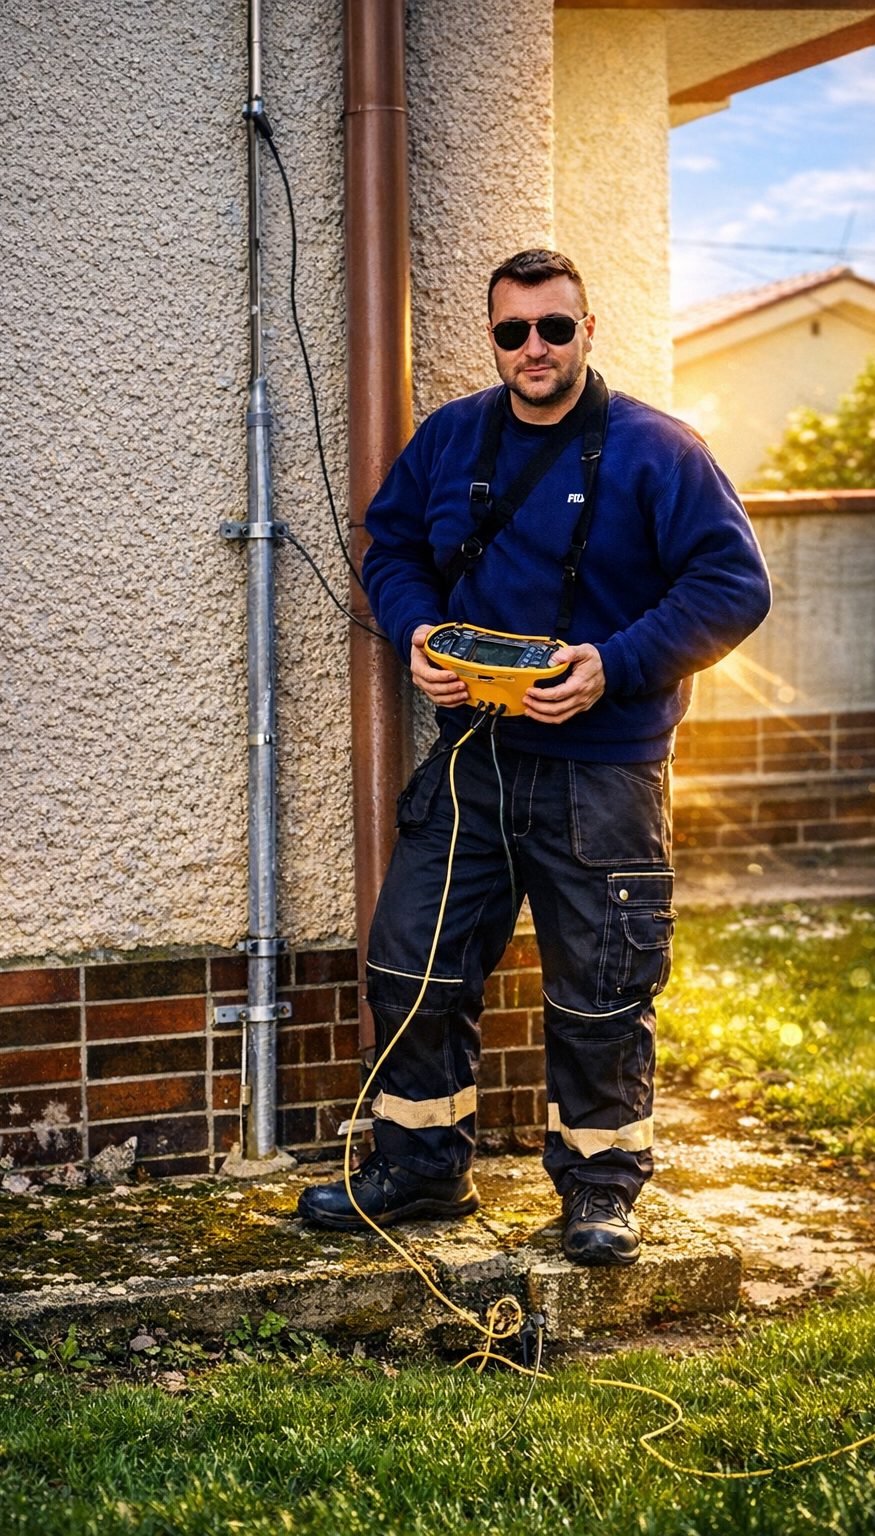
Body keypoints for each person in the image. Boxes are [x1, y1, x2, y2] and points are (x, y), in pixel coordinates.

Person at [298, 249, 771, 1265]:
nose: (534, 349)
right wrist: (417, 632)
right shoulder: (449, 438)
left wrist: (614, 665)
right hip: (471, 759)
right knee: (410, 966)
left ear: (588, 329)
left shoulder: (660, 449)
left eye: (553, 328)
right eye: (513, 332)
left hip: (604, 769)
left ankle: (600, 1193)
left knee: (600, 991)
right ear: (494, 338)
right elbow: (391, 550)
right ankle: (422, 1171)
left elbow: (733, 586)